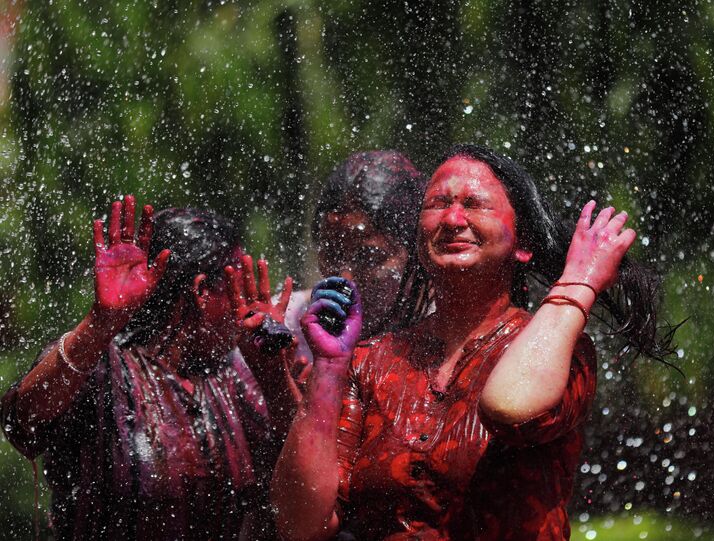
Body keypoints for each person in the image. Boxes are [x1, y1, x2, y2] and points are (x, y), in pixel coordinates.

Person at [271, 144, 672, 540]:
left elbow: (510, 408)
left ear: (523, 244)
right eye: (437, 203)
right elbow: (301, 525)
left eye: (475, 204)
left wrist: (577, 284)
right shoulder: (369, 360)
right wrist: (329, 368)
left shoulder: (563, 351)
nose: (452, 217)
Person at [1, 196, 295, 540]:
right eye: (236, 286)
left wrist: (277, 376)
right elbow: (22, 421)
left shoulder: (231, 379)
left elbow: (302, 476)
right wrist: (100, 322)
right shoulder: (104, 368)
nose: (244, 304)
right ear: (201, 292)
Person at [282, 150, 425, 366]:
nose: (345, 280)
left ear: (418, 255)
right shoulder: (288, 325)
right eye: (333, 253)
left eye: (368, 257)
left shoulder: (448, 335)